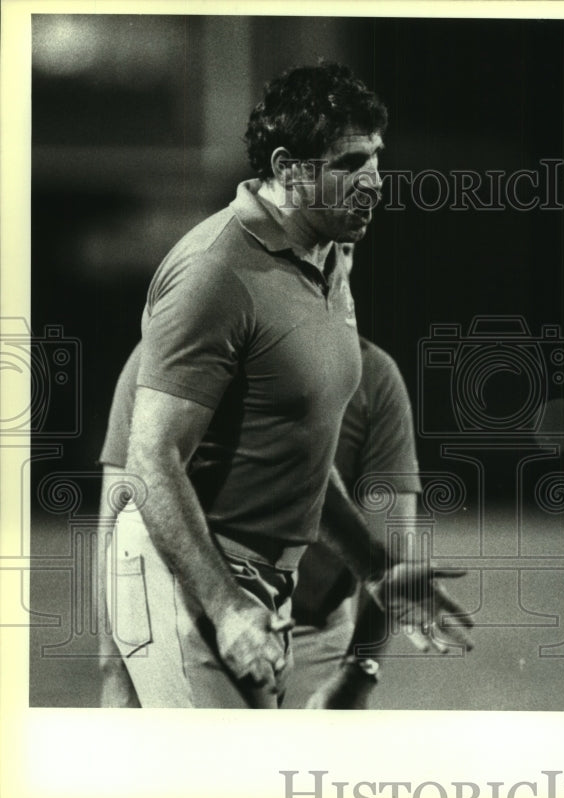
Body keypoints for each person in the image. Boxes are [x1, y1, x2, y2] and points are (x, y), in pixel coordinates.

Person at [111, 61, 468, 708]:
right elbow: (150, 458)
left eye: (376, 158)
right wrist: (225, 605)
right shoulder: (215, 270)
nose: (373, 182)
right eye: (350, 163)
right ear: (288, 168)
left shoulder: (325, 260)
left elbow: (298, 452)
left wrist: (375, 567)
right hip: (189, 574)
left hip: (265, 580)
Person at [97, 332, 455, 708]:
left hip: (313, 631)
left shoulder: (373, 374)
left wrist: (359, 671)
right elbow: (118, 517)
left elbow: (383, 541)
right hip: (199, 620)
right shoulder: (172, 346)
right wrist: (114, 669)